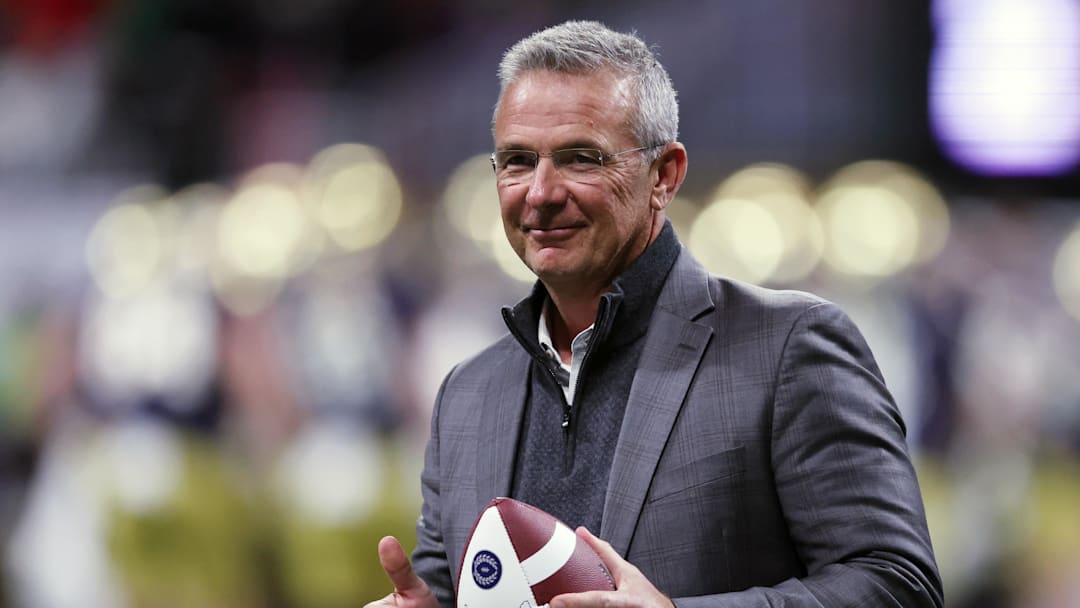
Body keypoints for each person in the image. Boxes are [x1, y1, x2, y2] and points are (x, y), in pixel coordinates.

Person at [367, 20, 943, 608]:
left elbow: (898, 586)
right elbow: (455, 587)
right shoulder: (468, 393)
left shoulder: (789, 347)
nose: (540, 192)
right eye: (517, 161)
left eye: (580, 158)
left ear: (663, 176)